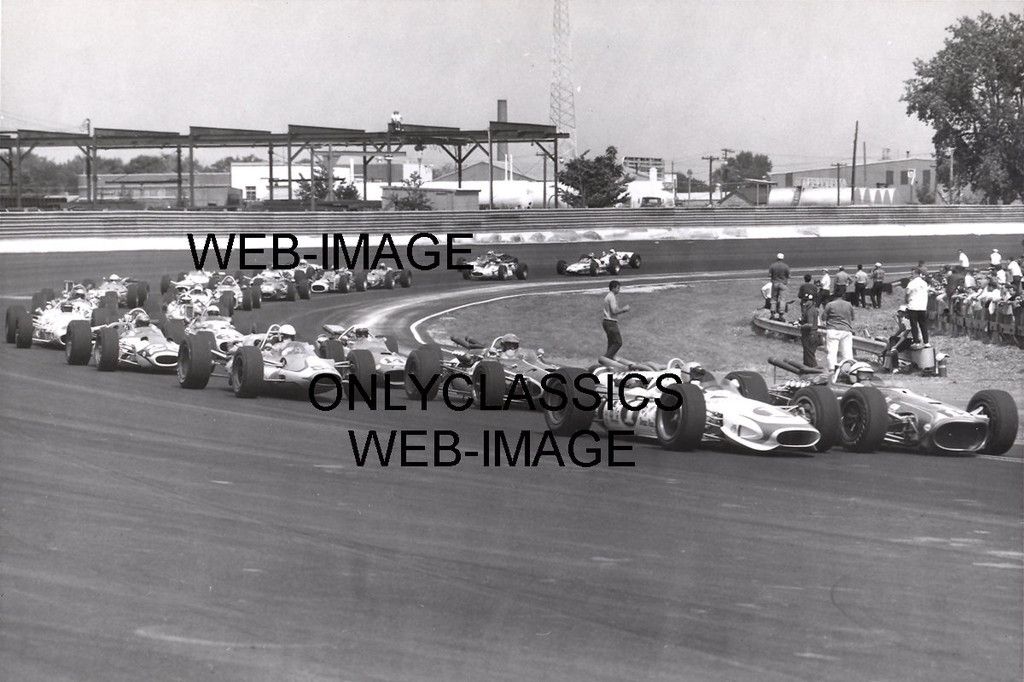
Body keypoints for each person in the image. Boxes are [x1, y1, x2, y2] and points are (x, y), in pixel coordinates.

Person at [823, 292, 855, 371]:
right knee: (847, 353)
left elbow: (823, 317)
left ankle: (832, 370)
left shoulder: (830, 305)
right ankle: (848, 370)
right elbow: (853, 317)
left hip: (833, 329)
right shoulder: (849, 305)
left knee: (832, 352)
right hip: (846, 330)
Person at [602, 280, 630, 359]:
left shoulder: (608, 296)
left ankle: (608, 360)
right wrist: (624, 309)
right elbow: (614, 311)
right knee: (618, 342)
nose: (619, 290)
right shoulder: (611, 297)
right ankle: (606, 359)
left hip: (606, 322)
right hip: (611, 322)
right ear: (613, 288)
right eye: (618, 288)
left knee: (611, 343)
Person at [904, 267, 930, 348]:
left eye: (912, 273)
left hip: (913, 306)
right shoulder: (924, 283)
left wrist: (906, 300)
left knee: (914, 325)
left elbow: (907, 292)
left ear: (916, 273)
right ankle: (926, 342)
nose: (911, 275)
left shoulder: (912, 283)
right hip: (922, 306)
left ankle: (916, 341)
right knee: (923, 325)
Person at [799, 292, 820, 368]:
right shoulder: (811, 309)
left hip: (810, 335)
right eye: (804, 301)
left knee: (810, 357)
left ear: (811, 301)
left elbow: (810, 325)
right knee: (807, 357)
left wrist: (800, 326)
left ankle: (816, 372)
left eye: (807, 301)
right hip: (810, 335)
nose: (805, 303)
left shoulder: (810, 310)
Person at [768, 252, 790, 320]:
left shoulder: (772, 265)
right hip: (783, 284)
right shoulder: (786, 266)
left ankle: (772, 314)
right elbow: (789, 275)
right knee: (782, 300)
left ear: (777, 258)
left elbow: (769, 275)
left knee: (774, 299)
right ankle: (781, 315)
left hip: (775, 283)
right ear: (783, 258)